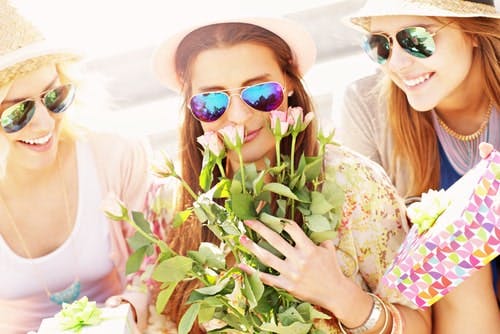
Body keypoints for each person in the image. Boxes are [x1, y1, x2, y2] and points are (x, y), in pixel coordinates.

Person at [148, 14, 432, 333]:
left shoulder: (354, 183)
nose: (239, 116)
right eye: (212, 101)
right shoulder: (174, 202)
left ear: (291, 85)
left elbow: (420, 325)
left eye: (260, 93)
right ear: (191, 108)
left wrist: (340, 296)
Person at [338, 0, 500, 332]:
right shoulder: (367, 105)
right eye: (380, 44)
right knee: (450, 244)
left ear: (472, 32)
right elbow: (369, 254)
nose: (397, 63)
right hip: (443, 317)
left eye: (416, 39)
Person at [0, 1, 152, 333]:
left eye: (54, 96)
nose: (43, 124)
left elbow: (155, 259)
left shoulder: (115, 155)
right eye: (16, 114)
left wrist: (131, 309)